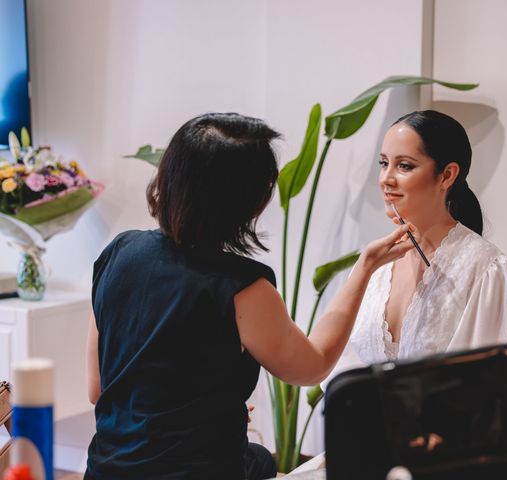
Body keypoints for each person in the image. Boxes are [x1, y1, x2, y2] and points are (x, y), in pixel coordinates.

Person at [84, 112, 415, 480]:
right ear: (246, 200)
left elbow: (98, 389)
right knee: (263, 461)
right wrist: (365, 268)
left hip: (105, 471)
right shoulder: (241, 287)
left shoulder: (118, 252)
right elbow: (314, 365)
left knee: (258, 458)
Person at [328, 110, 507, 377]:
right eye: (384, 163)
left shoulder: (488, 270)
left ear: (447, 175)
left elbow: (495, 386)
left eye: (405, 166)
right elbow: (336, 367)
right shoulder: (374, 268)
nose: (386, 178)